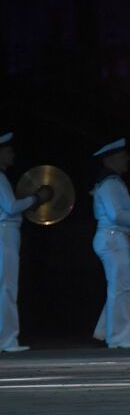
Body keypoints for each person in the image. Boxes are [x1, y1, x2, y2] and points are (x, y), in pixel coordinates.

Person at [91, 138, 130, 349]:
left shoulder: (112, 182)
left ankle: (104, 331)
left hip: (115, 238)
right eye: (123, 155)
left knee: (124, 287)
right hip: (112, 238)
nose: (127, 158)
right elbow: (117, 214)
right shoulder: (110, 183)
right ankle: (118, 337)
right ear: (112, 158)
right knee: (121, 288)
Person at [0, 131, 54, 353]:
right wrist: (37, 199)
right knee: (7, 289)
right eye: (8, 150)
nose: (12, 154)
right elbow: (10, 207)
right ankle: (8, 340)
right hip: (4, 234)